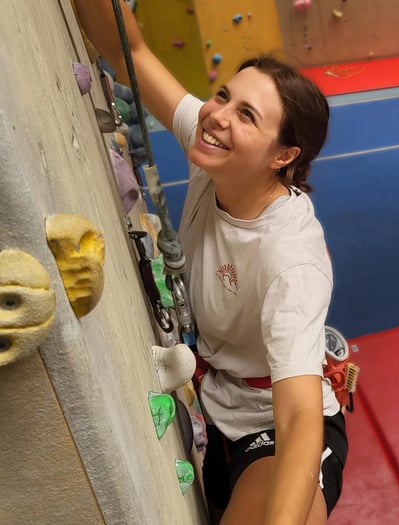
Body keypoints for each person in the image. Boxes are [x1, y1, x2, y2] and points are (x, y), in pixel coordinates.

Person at [72, 2, 347, 524]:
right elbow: (130, 51)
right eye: (224, 95)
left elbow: (298, 415)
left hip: (273, 423)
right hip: (217, 399)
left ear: (282, 156)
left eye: (247, 115)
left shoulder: (291, 262)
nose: (217, 115)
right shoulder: (218, 154)